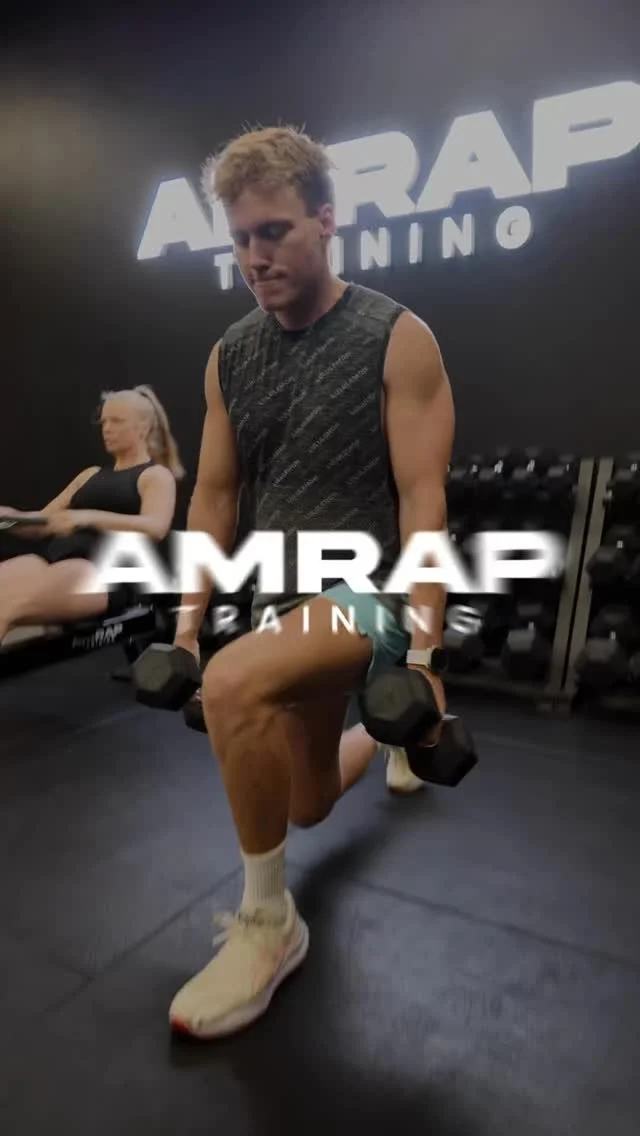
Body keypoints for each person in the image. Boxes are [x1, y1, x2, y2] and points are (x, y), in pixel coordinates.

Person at [169, 126, 455, 1040]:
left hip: (368, 589)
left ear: (326, 221)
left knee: (234, 684)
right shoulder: (229, 355)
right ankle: (385, 739)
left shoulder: (396, 337)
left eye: (275, 232)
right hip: (282, 598)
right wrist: (184, 629)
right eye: (241, 238)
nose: (255, 257)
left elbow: (423, 499)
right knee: (306, 802)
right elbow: (214, 496)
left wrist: (424, 654)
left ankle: (268, 923)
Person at [0, 385, 182, 644]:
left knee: (8, 607)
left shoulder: (155, 475)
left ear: (143, 427)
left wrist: (87, 517)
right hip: (53, 560)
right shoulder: (90, 474)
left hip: (99, 571)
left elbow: (156, 527)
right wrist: (8, 518)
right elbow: (42, 523)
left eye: (116, 421)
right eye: (104, 421)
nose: (106, 428)